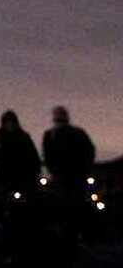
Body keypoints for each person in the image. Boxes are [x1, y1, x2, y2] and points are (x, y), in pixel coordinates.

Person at [43, 106, 96, 248]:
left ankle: (69, 238)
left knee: (66, 208)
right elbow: (90, 151)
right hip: (71, 177)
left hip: (67, 177)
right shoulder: (77, 133)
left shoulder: (51, 134)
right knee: (72, 207)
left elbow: (47, 155)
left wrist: (54, 170)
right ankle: (74, 237)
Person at [0, 110, 40, 199]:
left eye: (11, 121)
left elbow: (34, 157)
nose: (9, 124)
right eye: (7, 122)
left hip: (22, 178)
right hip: (5, 178)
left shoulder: (24, 138)